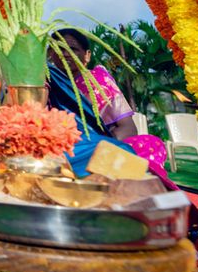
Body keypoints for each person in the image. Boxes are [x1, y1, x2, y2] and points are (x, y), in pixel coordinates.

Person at [48, 28, 168, 176]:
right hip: (63, 147)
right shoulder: (45, 81)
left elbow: (128, 128)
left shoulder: (99, 81)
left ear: (87, 56)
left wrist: (101, 146)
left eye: (72, 49)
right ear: (50, 53)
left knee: (151, 144)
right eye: (59, 48)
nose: (65, 53)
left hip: (99, 145)